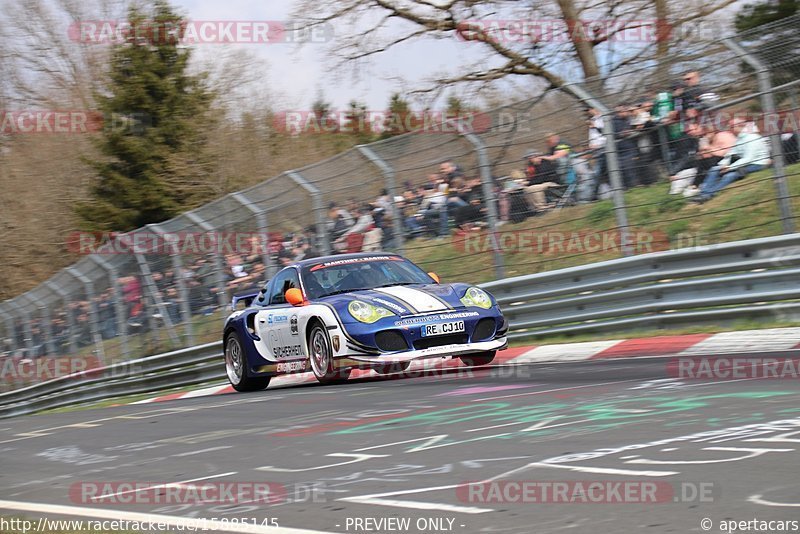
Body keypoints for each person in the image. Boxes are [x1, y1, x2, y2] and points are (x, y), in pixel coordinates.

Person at [692, 118, 771, 202]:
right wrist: (723, 165)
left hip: (757, 163)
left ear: (739, 126)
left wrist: (730, 167)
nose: (729, 130)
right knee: (714, 169)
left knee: (729, 175)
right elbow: (730, 154)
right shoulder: (739, 139)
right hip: (744, 163)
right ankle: (703, 193)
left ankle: (709, 194)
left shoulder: (752, 138)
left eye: (731, 127)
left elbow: (749, 158)